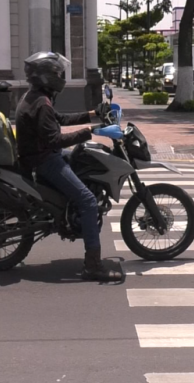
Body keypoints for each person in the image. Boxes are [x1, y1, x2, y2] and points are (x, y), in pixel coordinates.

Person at [15, 51, 123, 281]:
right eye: (57, 73)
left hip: (39, 155)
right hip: (44, 161)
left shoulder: (36, 97)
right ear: (46, 77)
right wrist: (91, 131)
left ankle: (69, 212)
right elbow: (55, 140)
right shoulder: (41, 104)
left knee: (81, 157)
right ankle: (92, 266)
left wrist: (93, 114)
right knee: (87, 200)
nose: (60, 76)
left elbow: (59, 120)